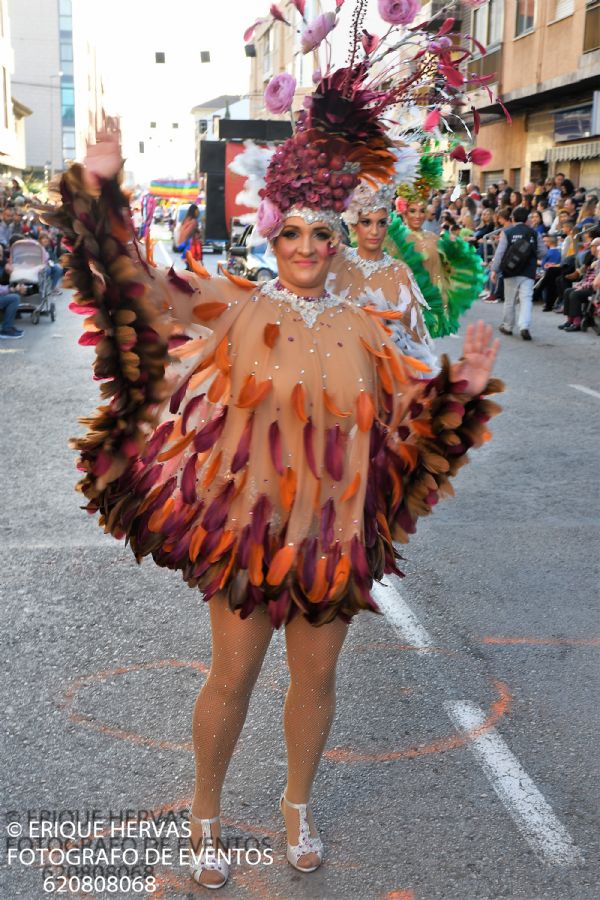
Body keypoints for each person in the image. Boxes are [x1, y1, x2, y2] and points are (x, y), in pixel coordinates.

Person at [43, 14, 503, 892]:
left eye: (321, 235)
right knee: (232, 675)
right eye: (291, 233)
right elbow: (130, 288)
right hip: (248, 535)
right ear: (272, 237)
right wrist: (100, 192)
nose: (304, 248)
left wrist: (463, 389)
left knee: (318, 681)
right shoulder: (230, 302)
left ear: (338, 243)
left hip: (332, 537)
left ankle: (296, 805)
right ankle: (205, 813)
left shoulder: (371, 328)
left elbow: (414, 421)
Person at [327, 179, 438, 372]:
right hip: (342, 368)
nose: (374, 231)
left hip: (387, 370)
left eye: (381, 223)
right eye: (366, 222)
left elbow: (415, 333)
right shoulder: (338, 259)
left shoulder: (399, 271)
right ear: (354, 224)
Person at [386, 152, 486, 337]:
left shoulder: (434, 238)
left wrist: (457, 258)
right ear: (404, 211)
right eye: (413, 210)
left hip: (428, 306)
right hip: (403, 305)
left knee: (422, 350)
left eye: (422, 210)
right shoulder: (395, 239)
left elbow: (442, 272)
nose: (417, 215)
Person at [491, 205, 546, 340]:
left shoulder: (508, 233)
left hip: (510, 271)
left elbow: (500, 253)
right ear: (527, 219)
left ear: (513, 218)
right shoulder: (534, 233)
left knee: (510, 300)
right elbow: (543, 252)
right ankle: (524, 326)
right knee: (526, 299)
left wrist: (494, 270)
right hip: (528, 271)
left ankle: (508, 326)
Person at [558, 239, 600, 332]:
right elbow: (588, 278)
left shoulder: (598, 262)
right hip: (590, 286)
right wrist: (581, 284)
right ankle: (570, 320)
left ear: (597, 247)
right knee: (568, 291)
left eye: (592, 246)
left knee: (575, 294)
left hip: (595, 290)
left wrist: (583, 286)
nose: (590, 248)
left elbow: (596, 282)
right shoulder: (593, 259)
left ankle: (577, 323)